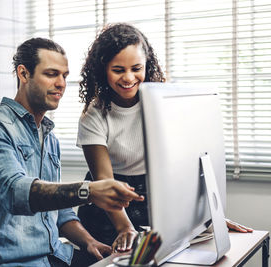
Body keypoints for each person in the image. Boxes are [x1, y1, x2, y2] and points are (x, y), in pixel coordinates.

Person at [0, 37, 144, 267]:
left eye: (64, 76)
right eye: (51, 74)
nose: (61, 83)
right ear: (23, 74)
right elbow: (14, 192)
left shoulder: (49, 138)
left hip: (55, 256)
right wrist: (87, 190)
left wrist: (89, 242)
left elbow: (61, 211)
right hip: (8, 262)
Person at [76, 23, 253, 254]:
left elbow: (186, 167)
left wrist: (209, 220)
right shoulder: (94, 114)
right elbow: (105, 183)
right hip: (108, 210)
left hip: (152, 196)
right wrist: (126, 228)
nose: (128, 78)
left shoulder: (164, 104)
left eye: (136, 68)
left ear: (147, 65)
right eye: (118, 70)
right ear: (103, 68)